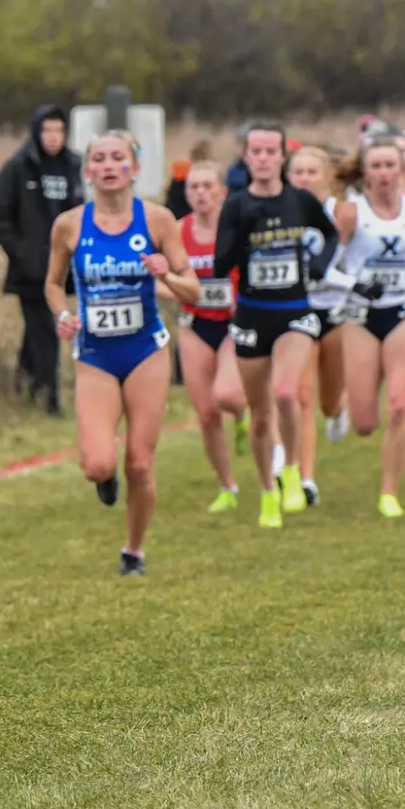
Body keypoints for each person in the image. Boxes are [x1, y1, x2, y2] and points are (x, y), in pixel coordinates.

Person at [47, 131, 200, 574]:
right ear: (89, 170)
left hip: (145, 350)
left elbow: (194, 289)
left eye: (118, 157)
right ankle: (105, 478)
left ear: (134, 168)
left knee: (140, 463)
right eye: (100, 158)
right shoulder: (70, 225)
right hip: (94, 352)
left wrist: (167, 274)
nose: (109, 165)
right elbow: (54, 284)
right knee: (97, 463)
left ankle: (134, 550)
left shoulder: (158, 220)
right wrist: (62, 315)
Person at [214, 122, 340, 529]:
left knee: (287, 392)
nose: (264, 158)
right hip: (252, 315)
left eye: (272, 151)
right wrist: (245, 233)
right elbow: (220, 264)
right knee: (261, 415)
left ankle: (292, 472)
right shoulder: (236, 204)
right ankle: (268, 491)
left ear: (282, 156)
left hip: (295, 311)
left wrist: (319, 265)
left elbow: (330, 234)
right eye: (257, 151)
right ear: (247, 157)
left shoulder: (300, 201)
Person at [332, 139, 405, 517]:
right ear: (365, 172)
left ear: (400, 169)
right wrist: (353, 285)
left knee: (400, 405)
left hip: (403, 313)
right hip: (360, 318)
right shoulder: (350, 214)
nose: (383, 174)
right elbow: (325, 268)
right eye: (376, 166)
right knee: (367, 422)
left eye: (389, 165)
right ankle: (345, 410)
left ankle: (389, 493)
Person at [0, 104, 83, 414]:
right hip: (29, 272)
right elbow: (0, 219)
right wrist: (24, 254)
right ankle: (50, 400)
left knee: (36, 333)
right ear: (36, 132)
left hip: (62, 268)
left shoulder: (73, 165)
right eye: (48, 130)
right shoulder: (18, 167)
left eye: (59, 130)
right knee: (47, 329)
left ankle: (24, 384)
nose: (54, 137)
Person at [173, 162, 247, 512]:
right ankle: (227, 486)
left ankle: (246, 417)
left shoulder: (238, 226)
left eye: (207, 186)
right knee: (206, 414)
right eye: (193, 187)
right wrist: (178, 290)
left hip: (235, 322)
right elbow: (158, 277)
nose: (200, 193)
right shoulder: (177, 232)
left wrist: (244, 299)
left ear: (222, 191)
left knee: (228, 394)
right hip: (195, 324)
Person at [287, 145, 346, 508]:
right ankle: (305, 477)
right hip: (298, 309)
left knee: (327, 399)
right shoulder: (278, 211)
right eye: (298, 172)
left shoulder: (343, 213)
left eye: (312, 172)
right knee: (302, 395)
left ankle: (338, 410)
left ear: (327, 177)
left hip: (335, 311)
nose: (305, 178)